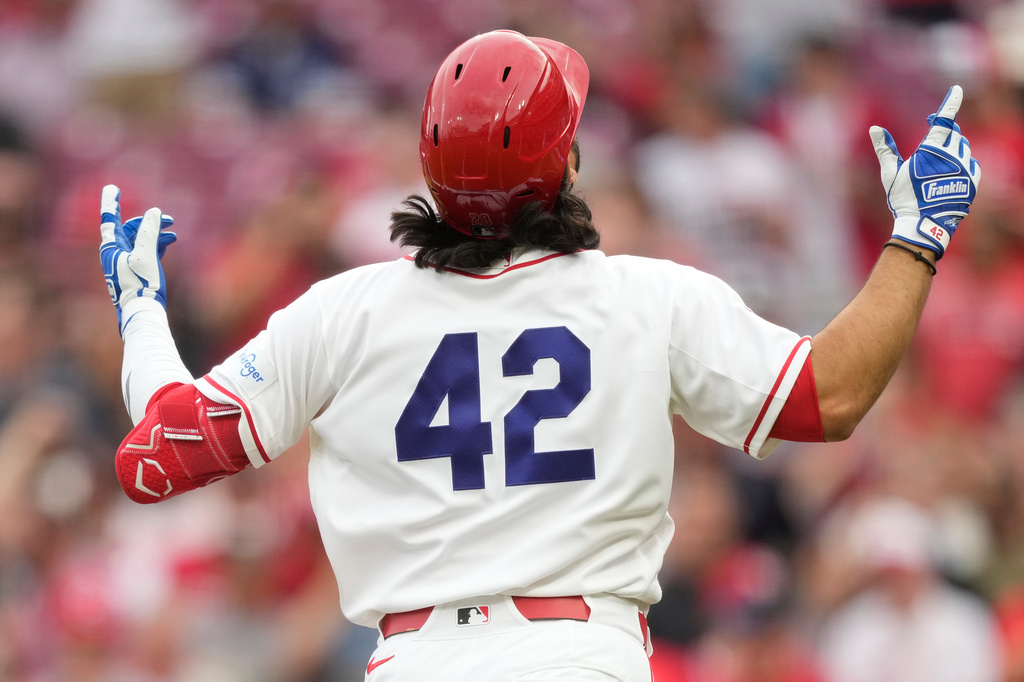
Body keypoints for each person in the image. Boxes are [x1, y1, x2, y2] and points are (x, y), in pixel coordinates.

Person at [98, 29, 980, 681]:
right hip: (582, 653)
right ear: (564, 164)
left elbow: (156, 458)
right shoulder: (649, 294)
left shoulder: (341, 312)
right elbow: (830, 398)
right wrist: (919, 236)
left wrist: (141, 312)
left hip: (416, 660)